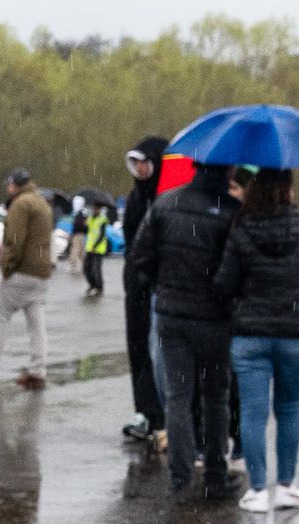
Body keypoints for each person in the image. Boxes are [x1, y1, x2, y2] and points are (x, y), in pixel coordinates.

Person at [213, 167, 299, 515]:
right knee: (289, 407)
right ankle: (286, 486)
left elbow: (224, 283)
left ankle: (256, 490)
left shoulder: (241, 226)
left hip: (250, 334)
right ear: (288, 189)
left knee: (253, 413)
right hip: (295, 334)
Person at [130, 161, 241, 500]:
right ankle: (215, 473)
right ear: (229, 170)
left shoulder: (166, 202)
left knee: (178, 397)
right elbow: (238, 268)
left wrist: (164, 285)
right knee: (215, 397)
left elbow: (140, 256)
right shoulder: (232, 211)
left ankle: (180, 477)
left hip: (172, 314)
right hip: (215, 317)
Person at [0, 168, 53, 390]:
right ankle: (38, 370)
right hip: (41, 271)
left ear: (15, 185)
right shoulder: (42, 203)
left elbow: (14, 240)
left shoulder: (20, 204)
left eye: (9, 184)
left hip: (21, 270)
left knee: (0, 315)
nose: (8, 188)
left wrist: (6, 268)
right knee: (36, 323)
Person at [121, 137, 167, 446]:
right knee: (138, 348)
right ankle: (146, 412)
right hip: (136, 285)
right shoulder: (136, 199)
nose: (139, 169)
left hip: (162, 285)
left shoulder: (169, 198)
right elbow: (131, 241)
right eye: (135, 163)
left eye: (144, 162)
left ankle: (167, 415)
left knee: (160, 354)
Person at [83, 203, 110, 295]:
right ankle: (92, 285)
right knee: (86, 268)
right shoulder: (90, 218)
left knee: (96, 269)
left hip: (98, 248)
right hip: (89, 247)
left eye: (96, 209)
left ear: (99, 210)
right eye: (94, 208)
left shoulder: (102, 219)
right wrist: (85, 225)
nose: (95, 210)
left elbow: (102, 235)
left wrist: (95, 245)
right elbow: (87, 231)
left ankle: (99, 288)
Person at [68, 202, 87, 275]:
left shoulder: (78, 215)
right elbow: (85, 225)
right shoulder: (84, 214)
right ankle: (85, 266)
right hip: (82, 235)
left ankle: (73, 266)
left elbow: (76, 226)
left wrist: (72, 234)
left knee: (75, 250)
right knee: (82, 251)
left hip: (77, 235)